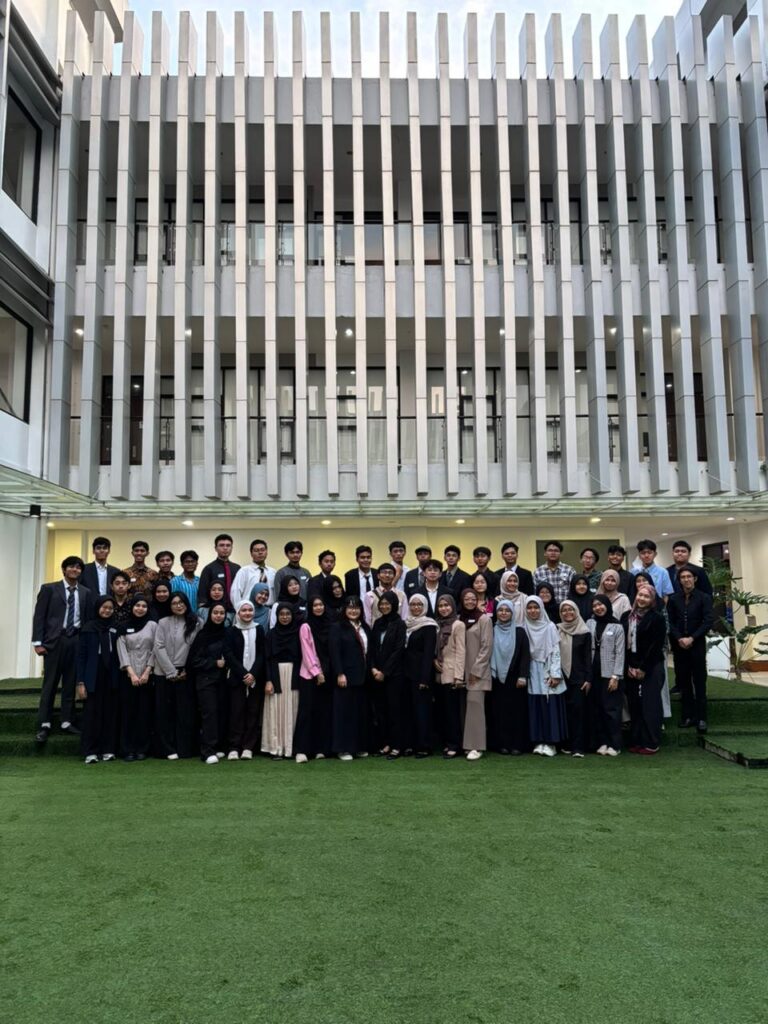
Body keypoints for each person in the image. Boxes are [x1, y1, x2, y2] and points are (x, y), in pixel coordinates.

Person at [32, 555, 93, 743]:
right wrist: (37, 643)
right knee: (50, 683)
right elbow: (39, 616)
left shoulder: (86, 592)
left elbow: (87, 619)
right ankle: (44, 723)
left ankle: (67, 720)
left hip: (76, 640)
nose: (75, 570)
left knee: (70, 683)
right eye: (71, 567)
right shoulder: (49, 589)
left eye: (78, 567)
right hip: (54, 641)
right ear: (64, 569)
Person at [153, 592, 200, 759]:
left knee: (185, 712)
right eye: (174, 603)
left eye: (181, 602)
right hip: (163, 672)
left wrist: (187, 670)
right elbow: (158, 646)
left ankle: (185, 748)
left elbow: (198, 648)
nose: (178, 606)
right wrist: (171, 672)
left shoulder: (197, 622)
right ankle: (167, 749)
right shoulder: (163, 622)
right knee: (164, 712)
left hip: (187, 672)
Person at [667, 568, 714, 733]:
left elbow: (708, 621)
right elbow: (670, 622)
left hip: (697, 644)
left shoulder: (704, 598)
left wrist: (692, 638)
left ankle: (702, 718)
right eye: (683, 577)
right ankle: (688, 716)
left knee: (699, 682)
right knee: (684, 682)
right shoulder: (674, 599)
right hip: (679, 645)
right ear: (679, 580)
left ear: (695, 579)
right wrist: (679, 638)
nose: (686, 579)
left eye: (689, 576)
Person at [75, 595, 120, 764]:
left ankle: (108, 749)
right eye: (104, 607)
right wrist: (80, 682)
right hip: (92, 675)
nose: (107, 611)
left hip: (112, 674)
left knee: (110, 713)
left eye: (110, 608)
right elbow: (81, 657)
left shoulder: (117, 627)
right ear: (98, 608)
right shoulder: (88, 628)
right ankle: (90, 751)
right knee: (91, 715)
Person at [623, 585, 667, 754]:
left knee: (650, 705)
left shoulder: (657, 618)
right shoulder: (627, 616)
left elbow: (656, 646)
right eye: (640, 595)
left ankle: (651, 742)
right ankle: (637, 740)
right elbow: (624, 644)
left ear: (652, 600)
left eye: (646, 597)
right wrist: (629, 666)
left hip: (651, 666)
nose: (642, 599)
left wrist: (643, 668)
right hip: (631, 666)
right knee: (635, 705)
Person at [224, 599, 267, 761]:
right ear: (238, 613)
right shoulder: (231, 631)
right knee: (236, 713)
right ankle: (234, 747)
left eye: (250, 610)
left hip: (255, 679)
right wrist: (244, 674)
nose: (247, 613)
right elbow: (229, 655)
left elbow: (262, 653)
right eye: (244, 610)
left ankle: (248, 747)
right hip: (237, 679)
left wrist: (253, 674)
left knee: (253, 713)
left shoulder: (259, 629)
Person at [188, 601, 230, 764]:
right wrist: (214, 663)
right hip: (206, 681)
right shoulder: (202, 635)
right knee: (209, 714)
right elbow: (194, 661)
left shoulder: (227, 633)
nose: (218, 616)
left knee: (222, 713)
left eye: (221, 613)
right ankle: (207, 751)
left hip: (223, 681)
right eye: (215, 613)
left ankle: (218, 746)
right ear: (210, 614)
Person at [524, 595, 566, 758]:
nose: (533, 611)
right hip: (532, 671)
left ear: (541, 609)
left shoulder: (550, 627)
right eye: (529, 608)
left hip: (547, 670)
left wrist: (555, 674)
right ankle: (539, 741)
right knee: (536, 706)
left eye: (536, 607)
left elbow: (555, 651)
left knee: (550, 706)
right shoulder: (524, 626)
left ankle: (551, 743)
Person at [116, 594, 156, 762]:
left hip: (148, 674)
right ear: (131, 607)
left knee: (144, 713)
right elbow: (121, 650)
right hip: (128, 675)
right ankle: (127, 749)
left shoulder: (153, 625)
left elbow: (156, 648)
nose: (140, 609)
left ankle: (142, 749)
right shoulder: (123, 626)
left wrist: (147, 671)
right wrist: (131, 673)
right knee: (128, 713)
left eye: (144, 606)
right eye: (137, 605)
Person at [329, 597, 371, 759]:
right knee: (343, 713)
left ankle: (358, 746)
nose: (354, 611)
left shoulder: (365, 627)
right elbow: (334, 652)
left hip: (363, 677)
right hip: (345, 677)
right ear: (344, 609)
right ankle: (343, 749)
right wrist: (340, 673)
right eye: (350, 607)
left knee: (360, 713)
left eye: (357, 608)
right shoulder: (337, 627)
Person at [490, 600, 531, 755]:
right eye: (500, 610)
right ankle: (502, 744)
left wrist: (523, 676)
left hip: (515, 678)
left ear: (512, 613)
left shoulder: (520, 632)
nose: (504, 613)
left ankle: (517, 745)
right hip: (496, 678)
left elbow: (525, 655)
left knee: (517, 712)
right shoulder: (492, 630)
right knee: (499, 712)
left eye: (507, 610)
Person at [296, 595, 335, 761]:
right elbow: (307, 652)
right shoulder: (306, 626)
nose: (318, 608)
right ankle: (303, 750)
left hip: (328, 674)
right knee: (307, 712)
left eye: (321, 604)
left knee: (323, 713)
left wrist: (326, 672)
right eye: (315, 605)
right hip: (309, 675)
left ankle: (321, 748)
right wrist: (317, 673)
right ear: (310, 608)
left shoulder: (330, 625)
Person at [586, 596, 626, 756]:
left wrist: (616, 676)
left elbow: (620, 652)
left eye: (601, 604)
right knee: (597, 709)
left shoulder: (617, 626)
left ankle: (614, 744)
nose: (598, 608)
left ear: (607, 606)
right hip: (593, 673)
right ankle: (602, 742)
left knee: (612, 710)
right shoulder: (590, 623)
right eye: (595, 605)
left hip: (610, 675)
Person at [262, 603, 302, 759]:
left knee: (292, 709)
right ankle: (276, 748)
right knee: (276, 710)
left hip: (294, 675)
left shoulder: (298, 633)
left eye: (288, 614)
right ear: (277, 616)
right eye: (281, 614)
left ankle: (291, 747)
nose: (285, 617)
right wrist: (268, 680)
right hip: (275, 675)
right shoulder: (271, 634)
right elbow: (267, 658)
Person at [370, 591, 407, 758]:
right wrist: (373, 668)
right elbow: (371, 649)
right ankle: (385, 744)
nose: (384, 606)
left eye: (387, 604)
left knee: (395, 711)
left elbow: (398, 650)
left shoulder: (400, 624)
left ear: (394, 605)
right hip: (377, 675)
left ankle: (397, 745)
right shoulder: (378, 623)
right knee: (381, 710)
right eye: (382, 604)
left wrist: (385, 672)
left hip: (394, 675)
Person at [458, 589, 493, 761]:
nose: (470, 601)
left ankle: (476, 746)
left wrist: (476, 670)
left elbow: (487, 646)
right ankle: (466, 744)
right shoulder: (459, 619)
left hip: (477, 672)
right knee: (464, 709)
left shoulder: (484, 619)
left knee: (475, 707)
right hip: (460, 671)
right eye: (467, 599)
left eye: (473, 599)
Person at [403, 594, 438, 759]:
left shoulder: (429, 625)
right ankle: (411, 744)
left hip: (421, 676)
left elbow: (428, 653)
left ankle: (424, 746)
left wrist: (425, 678)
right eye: (413, 604)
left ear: (424, 606)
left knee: (422, 711)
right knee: (408, 711)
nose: (416, 607)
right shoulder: (406, 624)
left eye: (419, 604)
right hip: (406, 674)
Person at [557, 600, 592, 758]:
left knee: (578, 713)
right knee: (564, 713)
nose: (567, 613)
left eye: (571, 609)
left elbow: (588, 657)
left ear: (576, 611)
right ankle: (566, 744)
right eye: (564, 610)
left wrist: (588, 679)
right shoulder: (557, 629)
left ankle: (578, 747)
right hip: (561, 678)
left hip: (579, 679)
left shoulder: (584, 631)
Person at [434, 595, 466, 759]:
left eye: (447, 605)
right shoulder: (437, 624)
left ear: (453, 606)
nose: (444, 608)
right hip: (439, 674)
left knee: (453, 712)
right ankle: (447, 742)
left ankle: (455, 745)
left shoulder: (458, 625)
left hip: (452, 674)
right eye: (440, 606)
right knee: (443, 712)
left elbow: (461, 651)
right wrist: (434, 661)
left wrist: (459, 676)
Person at [230, 538, 276, 608]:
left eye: (262, 550)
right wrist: (239, 609)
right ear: (251, 553)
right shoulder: (244, 571)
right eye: (256, 550)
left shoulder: (273, 572)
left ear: (267, 552)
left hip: (269, 610)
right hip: (249, 610)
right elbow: (235, 592)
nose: (260, 552)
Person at [198, 534, 241, 608]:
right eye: (221, 545)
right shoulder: (208, 569)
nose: (225, 548)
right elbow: (203, 595)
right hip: (215, 611)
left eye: (228, 545)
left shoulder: (237, 568)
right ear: (215, 548)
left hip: (235, 609)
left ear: (232, 548)